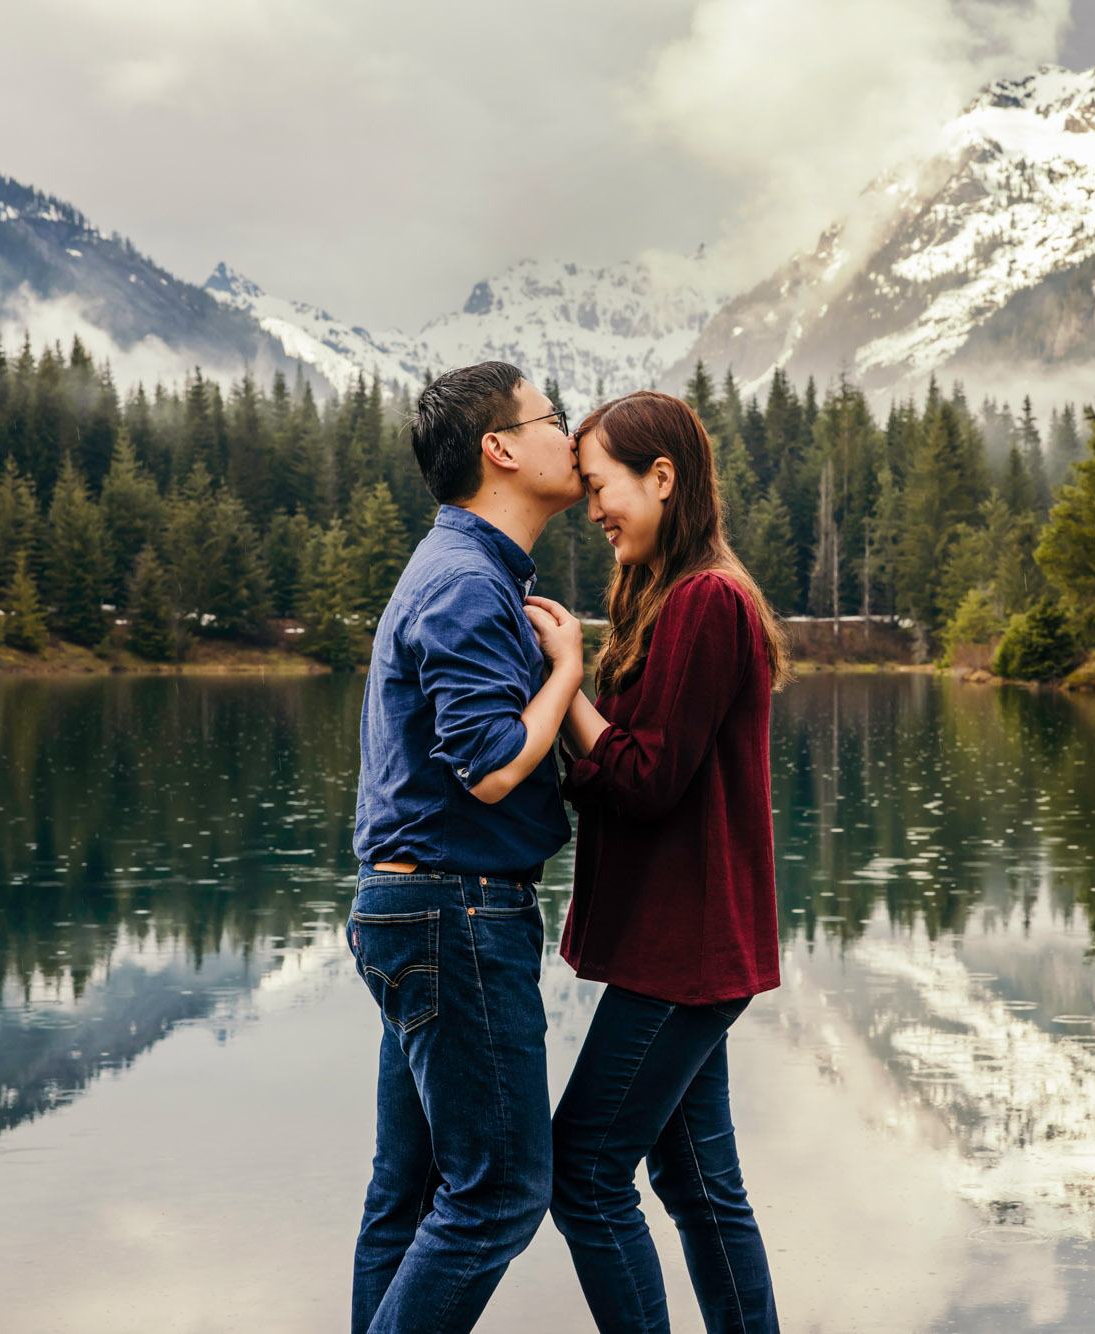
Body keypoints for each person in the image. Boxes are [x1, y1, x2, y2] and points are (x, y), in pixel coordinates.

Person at [522, 389, 790, 1333]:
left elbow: (643, 778)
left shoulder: (709, 601)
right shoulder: (665, 593)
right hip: (683, 946)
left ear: (663, 479)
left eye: (603, 488)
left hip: (689, 953)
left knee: (585, 1172)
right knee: (694, 1179)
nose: (593, 508)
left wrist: (558, 688)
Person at [347, 361, 585, 1334]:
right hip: (456, 912)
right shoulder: (464, 582)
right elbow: (488, 765)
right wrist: (567, 670)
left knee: (405, 1197)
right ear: (499, 448)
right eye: (553, 419)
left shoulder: (460, 571)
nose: (569, 436)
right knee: (499, 1191)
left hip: (416, 909)